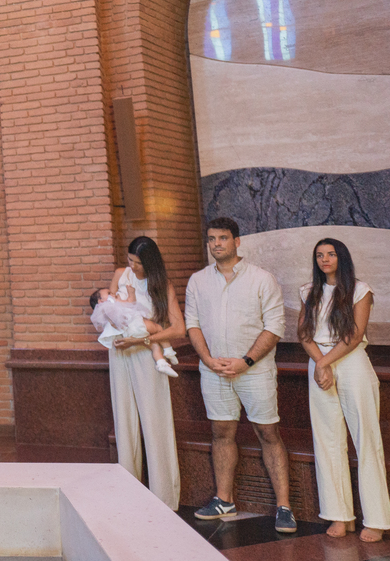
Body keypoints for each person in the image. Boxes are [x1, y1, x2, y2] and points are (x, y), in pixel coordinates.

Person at [186, 217, 296, 532]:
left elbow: (275, 327)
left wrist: (245, 362)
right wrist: (207, 359)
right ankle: (224, 500)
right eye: (211, 239)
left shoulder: (262, 279)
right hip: (214, 371)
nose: (216, 244)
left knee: (268, 434)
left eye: (222, 238)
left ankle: (284, 507)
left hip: (254, 371)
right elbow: (192, 322)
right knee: (221, 432)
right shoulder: (198, 281)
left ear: (237, 241)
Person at [299, 238, 390, 542]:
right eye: (320, 255)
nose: (325, 259)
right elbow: (304, 333)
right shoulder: (309, 292)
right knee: (327, 440)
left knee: (366, 440)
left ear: (342, 258)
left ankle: (376, 519)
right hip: (319, 363)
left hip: (350, 363)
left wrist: (325, 363)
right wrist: (320, 364)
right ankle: (340, 516)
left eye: (331, 254)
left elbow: (354, 333)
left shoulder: (359, 289)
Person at [103, 235, 186, 510]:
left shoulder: (162, 285)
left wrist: (139, 339)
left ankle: (164, 497)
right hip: (120, 352)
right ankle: (128, 494)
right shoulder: (120, 274)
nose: (132, 266)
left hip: (145, 352)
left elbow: (178, 329)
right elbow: (110, 308)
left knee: (155, 421)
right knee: (124, 422)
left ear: (150, 262)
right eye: (130, 260)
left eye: (138, 262)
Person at [90, 280, 178, 378]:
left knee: (154, 345)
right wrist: (131, 293)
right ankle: (169, 351)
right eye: (109, 293)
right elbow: (131, 303)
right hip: (135, 325)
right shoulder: (111, 304)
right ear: (101, 301)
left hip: (129, 333)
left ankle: (161, 363)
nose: (113, 294)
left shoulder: (105, 311)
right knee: (158, 328)